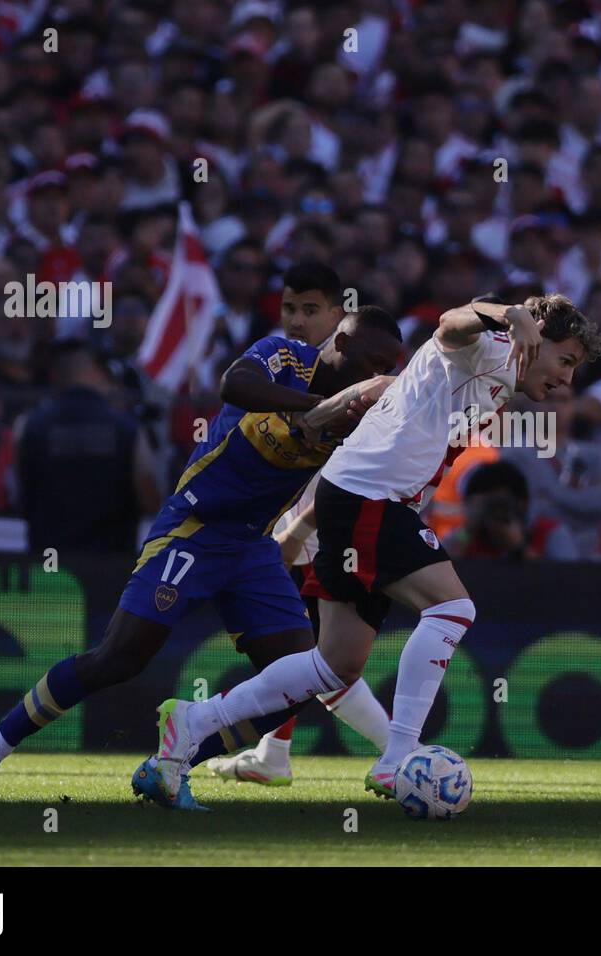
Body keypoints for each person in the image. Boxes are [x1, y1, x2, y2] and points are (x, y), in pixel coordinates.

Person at [147, 293, 601, 804]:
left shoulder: (497, 372)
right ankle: (396, 758)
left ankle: (194, 720)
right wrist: (513, 316)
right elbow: (452, 320)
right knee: (453, 608)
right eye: (564, 361)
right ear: (536, 339)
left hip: (360, 496)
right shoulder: (492, 346)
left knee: (334, 665)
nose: (567, 379)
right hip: (371, 498)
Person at [0, 307, 403, 808]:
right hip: (195, 528)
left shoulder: (360, 420)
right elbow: (234, 384)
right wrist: (316, 405)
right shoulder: (285, 356)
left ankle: (172, 762)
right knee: (119, 657)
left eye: (387, 365)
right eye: (370, 359)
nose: (376, 373)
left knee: (295, 679)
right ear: (338, 342)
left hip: (252, 548)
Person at [205, 262, 392, 787]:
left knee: (316, 664)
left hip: (320, 536)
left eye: (311, 310)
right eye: (290, 308)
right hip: (291, 527)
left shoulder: (353, 384)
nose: (296, 320)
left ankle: (403, 750)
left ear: (339, 317)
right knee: (303, 659)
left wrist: (298, 533)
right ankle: (275, 751)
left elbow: (346, 475)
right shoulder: (283, 366)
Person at [17, 339, 161, 553]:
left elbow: (22, 495)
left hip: (50, 567)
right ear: (96, 372)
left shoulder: (29, 426)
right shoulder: (127, 427)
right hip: (111, 562)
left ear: (56, 375)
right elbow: (149, 494)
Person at [443, 460, 579, 560]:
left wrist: (519, 548)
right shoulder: (467, 537)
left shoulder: (549, 533)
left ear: (522, 503)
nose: (496, 509)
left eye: (502, 503)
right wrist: (467, 530)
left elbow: (564, 581)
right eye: (489, 503)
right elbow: (441, 569)